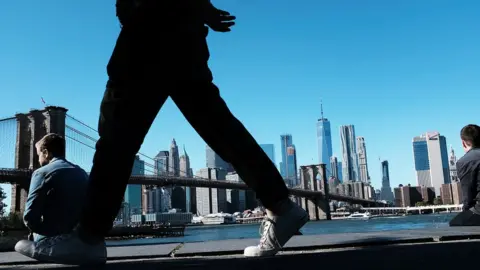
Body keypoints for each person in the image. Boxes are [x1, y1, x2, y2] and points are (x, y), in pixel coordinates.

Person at [15, 0, 308, 265]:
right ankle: (280, 205)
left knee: (117, 136)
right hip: (182, 30)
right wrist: (199, 8)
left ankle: (88, 238)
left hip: (148, 28)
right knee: (218, 126)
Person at [15, 133, 89, 243]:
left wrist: (42, 231)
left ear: (45, 153)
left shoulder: (42, 173)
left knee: (20, 245)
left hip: (55, 239)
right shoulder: (82, 172)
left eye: (38, 155)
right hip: (80, 238)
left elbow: (30, 218)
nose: (38, 160)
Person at [449, 124, 480, 226]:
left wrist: (466, 213)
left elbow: (468, 195)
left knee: (455, 224)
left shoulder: (464, 162)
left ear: (463, 143)